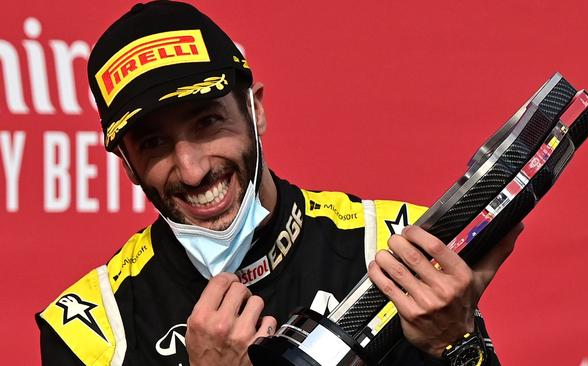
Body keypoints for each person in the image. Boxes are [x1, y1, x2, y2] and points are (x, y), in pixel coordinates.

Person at [36, 1, 523, 365]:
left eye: (207, 122)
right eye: (153, 144)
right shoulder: (92, 333)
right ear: (127, 165)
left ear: (256, 109)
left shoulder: (393, 249)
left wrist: (455, 343)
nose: (191, 169)